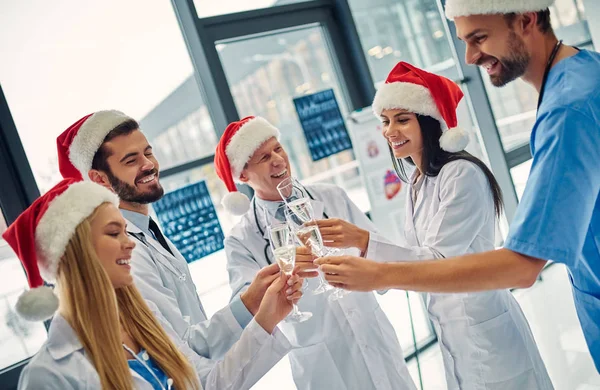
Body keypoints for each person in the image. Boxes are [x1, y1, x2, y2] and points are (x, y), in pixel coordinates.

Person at [315, 0, 600, 372]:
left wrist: (379, 271)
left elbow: (523, 265)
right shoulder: (583, 74)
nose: (468, 57)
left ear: (527, 19)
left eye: (479, 38)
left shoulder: (567, 110)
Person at [322, 61, 553, 389]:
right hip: (452, 331)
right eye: (386, 121)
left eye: (403, 120)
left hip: (484, 325)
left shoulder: (462, 174)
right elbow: (417, 255)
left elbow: (440, 259)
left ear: (429, 122)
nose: (390, 131)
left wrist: (365, 243)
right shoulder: (417, 181)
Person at [55, 111, 303, 387]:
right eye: (131, 160)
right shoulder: (126, 257)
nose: (148, 165)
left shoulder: (148, 230)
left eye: (148, 153)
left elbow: (191, 345)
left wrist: (252, 302)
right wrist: (258, 314)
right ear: (100, 179)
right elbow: (185, 356)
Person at [3, 179, 296, 389]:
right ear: (77, 253)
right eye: (114, 233)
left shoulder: (145, 323)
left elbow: (208, 383)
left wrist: (266, 318)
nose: (129, 244)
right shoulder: (49, 375)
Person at [214, 116, 417, 390]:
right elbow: (248, 308)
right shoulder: (242, 239)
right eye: (264, 157)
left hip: (373, 336)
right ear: (243, 175)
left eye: (278, 148)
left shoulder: (332, 197)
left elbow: (382, 255)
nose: (277, 159)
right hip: (321, 362)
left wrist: (359, 243)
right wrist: (281, 274)